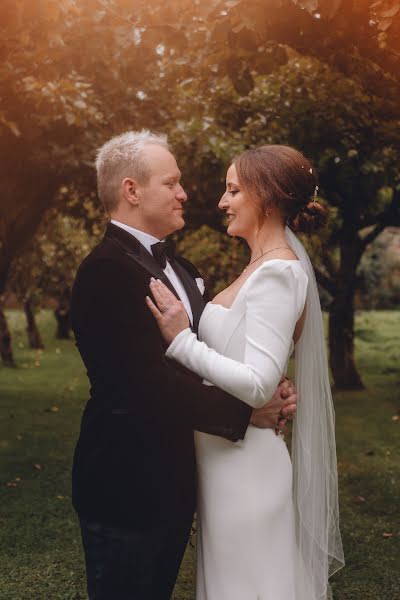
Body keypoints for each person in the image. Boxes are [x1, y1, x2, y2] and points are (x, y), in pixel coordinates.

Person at [70, 131, 298, 600]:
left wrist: (266, 376)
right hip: (127, 487)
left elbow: (205, 354)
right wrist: (246, 411)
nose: (185, 194)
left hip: (177, 483)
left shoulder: (182, 267)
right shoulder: (106, 270)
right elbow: (140, 386)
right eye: (171, 183)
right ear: (131, 191)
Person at [147, 145, 345, 600]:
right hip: (223, 461)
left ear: (267, 198)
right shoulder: (259, 267)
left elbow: (257, 385)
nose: (221, 201)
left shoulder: (278, 274)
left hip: (246, 468)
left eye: (233, 189)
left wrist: (182, 341)